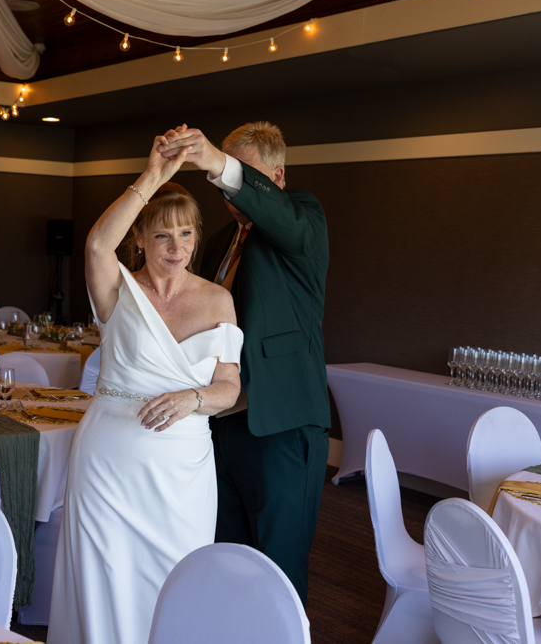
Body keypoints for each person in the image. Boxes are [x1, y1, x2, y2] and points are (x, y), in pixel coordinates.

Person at [48, 136, 244, 644]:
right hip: (108, 464)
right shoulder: (117, 289)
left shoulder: (218, 300)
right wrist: (154, 175)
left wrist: (192, 399)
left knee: (176, 580)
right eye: (162, 235)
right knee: (102, 581)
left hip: (183, 469)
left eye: (186, 234)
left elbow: (229, 388)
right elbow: (96, 245)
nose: (177, 247)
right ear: (139, 237)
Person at [157, 121, 330, 606]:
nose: (227, 188)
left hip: (281, 424)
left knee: (278, 570)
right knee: (224, 560)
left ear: (276, 177)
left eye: (239, 174)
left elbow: (279, 217)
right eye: (221, 177)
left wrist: (216, 160)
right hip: (219, 426)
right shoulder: (217, 244)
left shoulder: (303, 219)